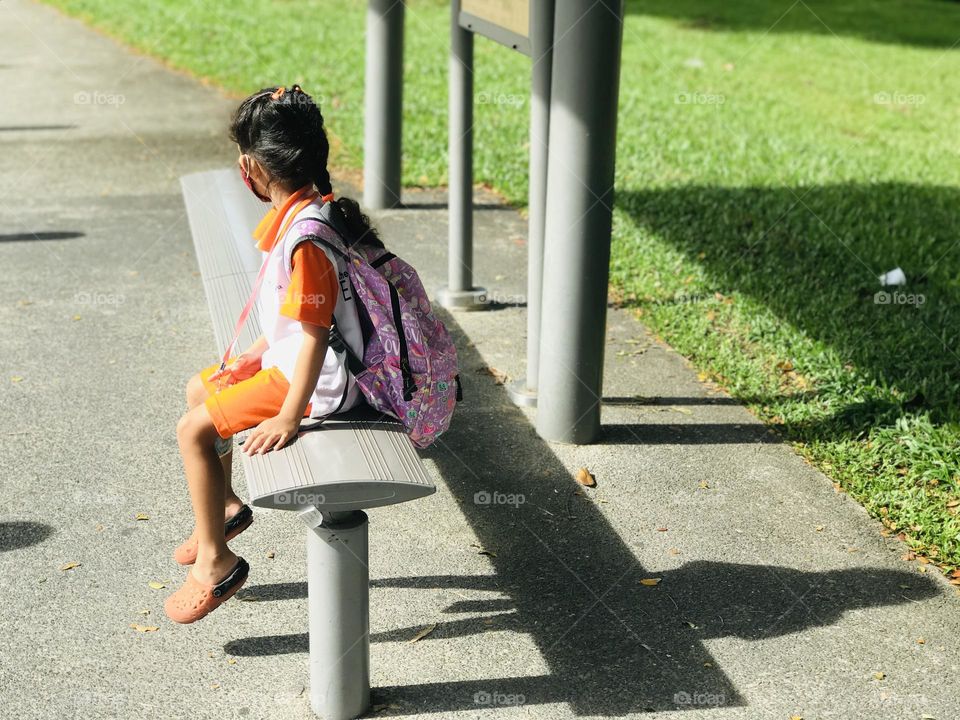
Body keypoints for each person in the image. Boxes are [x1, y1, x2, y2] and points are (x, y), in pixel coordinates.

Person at [165, 85, 382, 623]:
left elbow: (313, 336)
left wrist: (289, 414)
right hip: (296, 364)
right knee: (201, 390)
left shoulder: (306, 238)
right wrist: (254, 354)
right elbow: (297, 320)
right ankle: (227, 508)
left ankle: (216, 563)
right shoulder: (306, 212)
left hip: (316, 386)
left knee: (191, 430)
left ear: (249, 170)